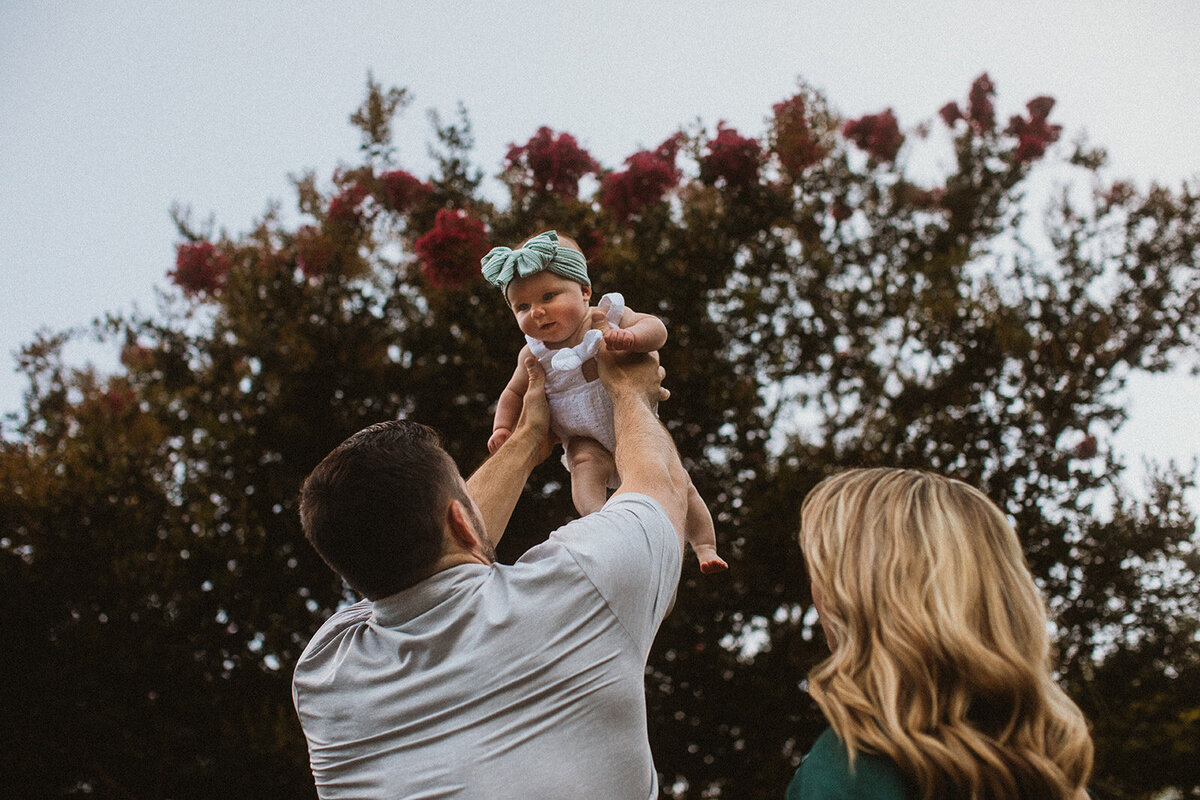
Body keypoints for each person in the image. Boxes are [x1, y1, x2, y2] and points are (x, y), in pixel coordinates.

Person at [292, 339, 692, 799]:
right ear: (461, 519)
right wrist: (630, 393)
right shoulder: (582, 586)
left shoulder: (323, 673)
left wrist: (527, 438)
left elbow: (422, 547)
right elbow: (658, 483)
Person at [789, 468, 1094, 800]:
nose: (815, 593)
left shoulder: (846, 771)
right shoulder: (1050, 772)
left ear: (863, 596)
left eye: (822, 572)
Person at [482, 229, 727, 575]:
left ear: (584, 292)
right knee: (583, 465)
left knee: (679, 483)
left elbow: (657, 328)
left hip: (632, 425)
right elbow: (512, 393)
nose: (536, 312)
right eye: (522, 307)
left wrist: (632, 338)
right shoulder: (532, 351)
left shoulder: (609, 316)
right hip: (584, 435)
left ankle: (704, 546)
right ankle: (601, 523)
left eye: (548, 296)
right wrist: (504, 427)